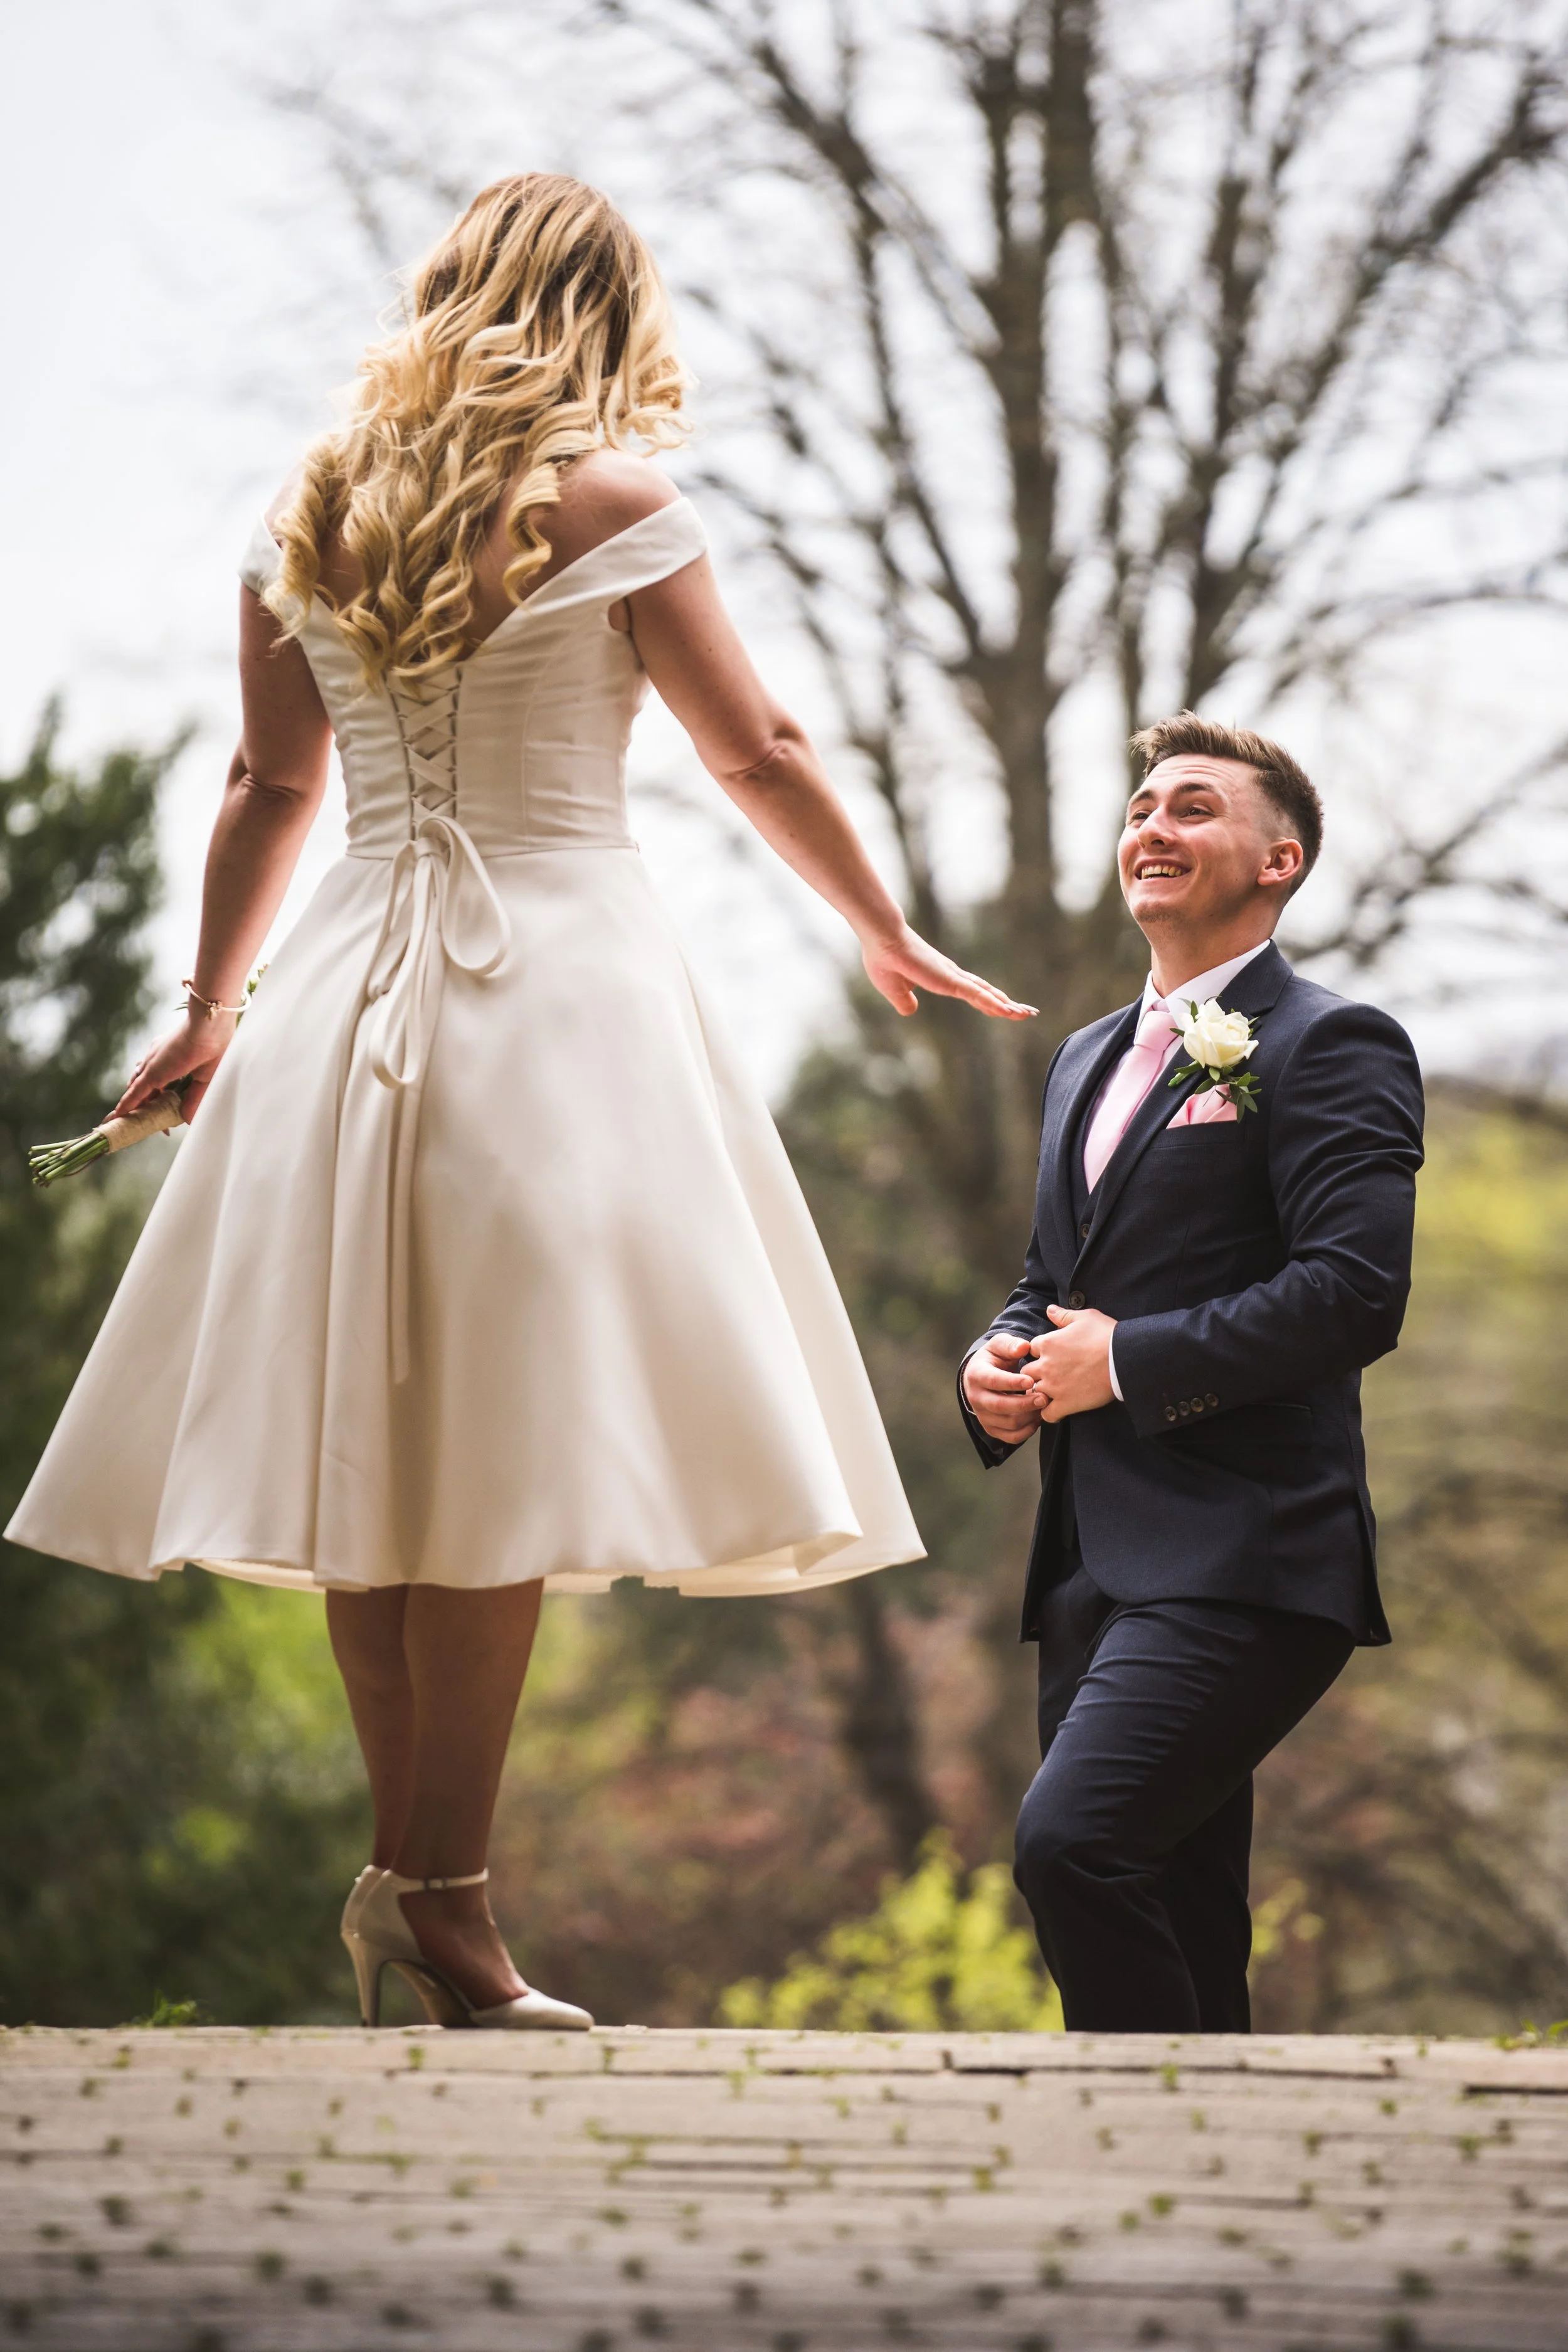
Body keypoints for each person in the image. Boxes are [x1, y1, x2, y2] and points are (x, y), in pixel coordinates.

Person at [8, 174, 1033, 2033]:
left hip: (336, 1002)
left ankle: (415, 1894)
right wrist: (878, 921)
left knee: (380, 1462)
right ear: (602, 312)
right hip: (549, 1003)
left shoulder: (315, 510)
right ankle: (444, 1905)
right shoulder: (618, 505)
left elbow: (263, 784)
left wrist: (211, 1009)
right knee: (480, 1464)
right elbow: (758, 746)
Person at [958, 713, 1424, 2034]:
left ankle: (1130, 2156)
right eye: (1139, 808)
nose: (1149, 828)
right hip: (1091, 1563)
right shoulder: (1083, 1058)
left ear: (1277, 861)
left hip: (1248, 1551)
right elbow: (1051, 1281)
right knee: (1173, 1908)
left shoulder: (1332, 1045)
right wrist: (996, 1361)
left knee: (1072, 1848)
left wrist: (1125, 1365)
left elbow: (1352, 1295)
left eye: (1192, 809)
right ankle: (1207, 2198)